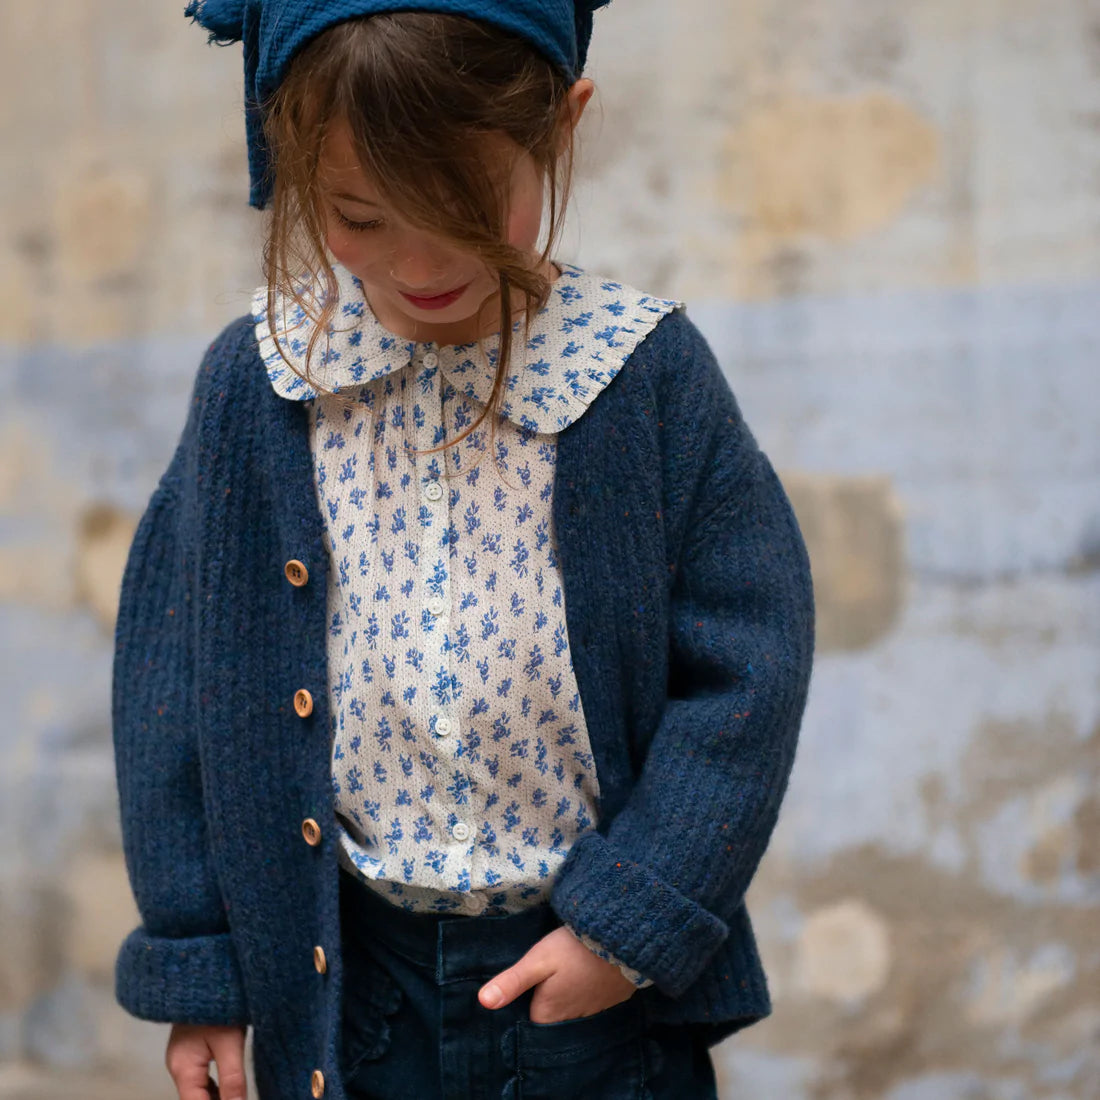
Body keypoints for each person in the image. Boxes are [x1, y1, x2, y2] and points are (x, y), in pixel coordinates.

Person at [110, 2, 815, 1098]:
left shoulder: (640, 373)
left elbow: (749, 668)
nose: (421, 259)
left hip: (585, 980)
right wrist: (201, 968)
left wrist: (626, 925)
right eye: (359, 215)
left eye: (466, 203)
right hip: (347, 986)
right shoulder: (262, 384)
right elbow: (171, 685)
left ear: (561, 126)